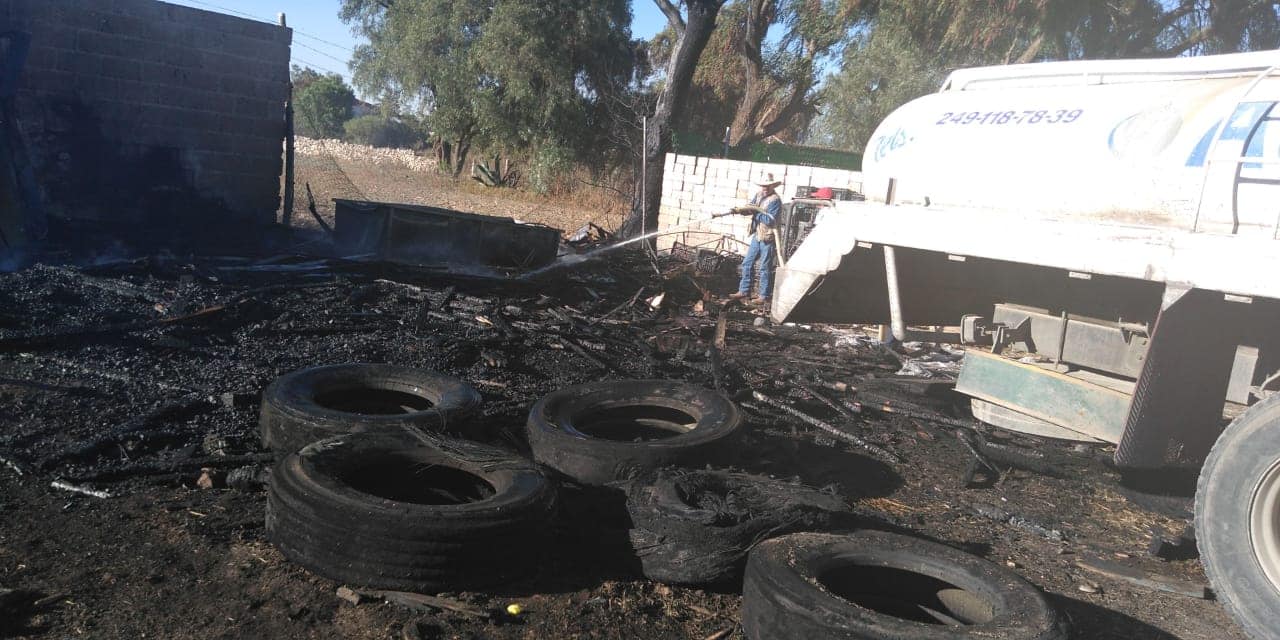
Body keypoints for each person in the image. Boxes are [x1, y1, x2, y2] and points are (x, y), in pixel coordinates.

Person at [729, 174, 782, 304]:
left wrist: (755, 212)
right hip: (757, 235)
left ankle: (763, 296)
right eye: (763, 185)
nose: (765, 188)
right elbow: (750, 208)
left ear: (772, 186)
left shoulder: (775, 200)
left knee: (765, 267)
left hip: (768, 237)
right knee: (747, 262)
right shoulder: (759, 195)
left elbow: (769, 220)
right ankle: (744, 290)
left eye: (767, 186)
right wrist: (741, 210)